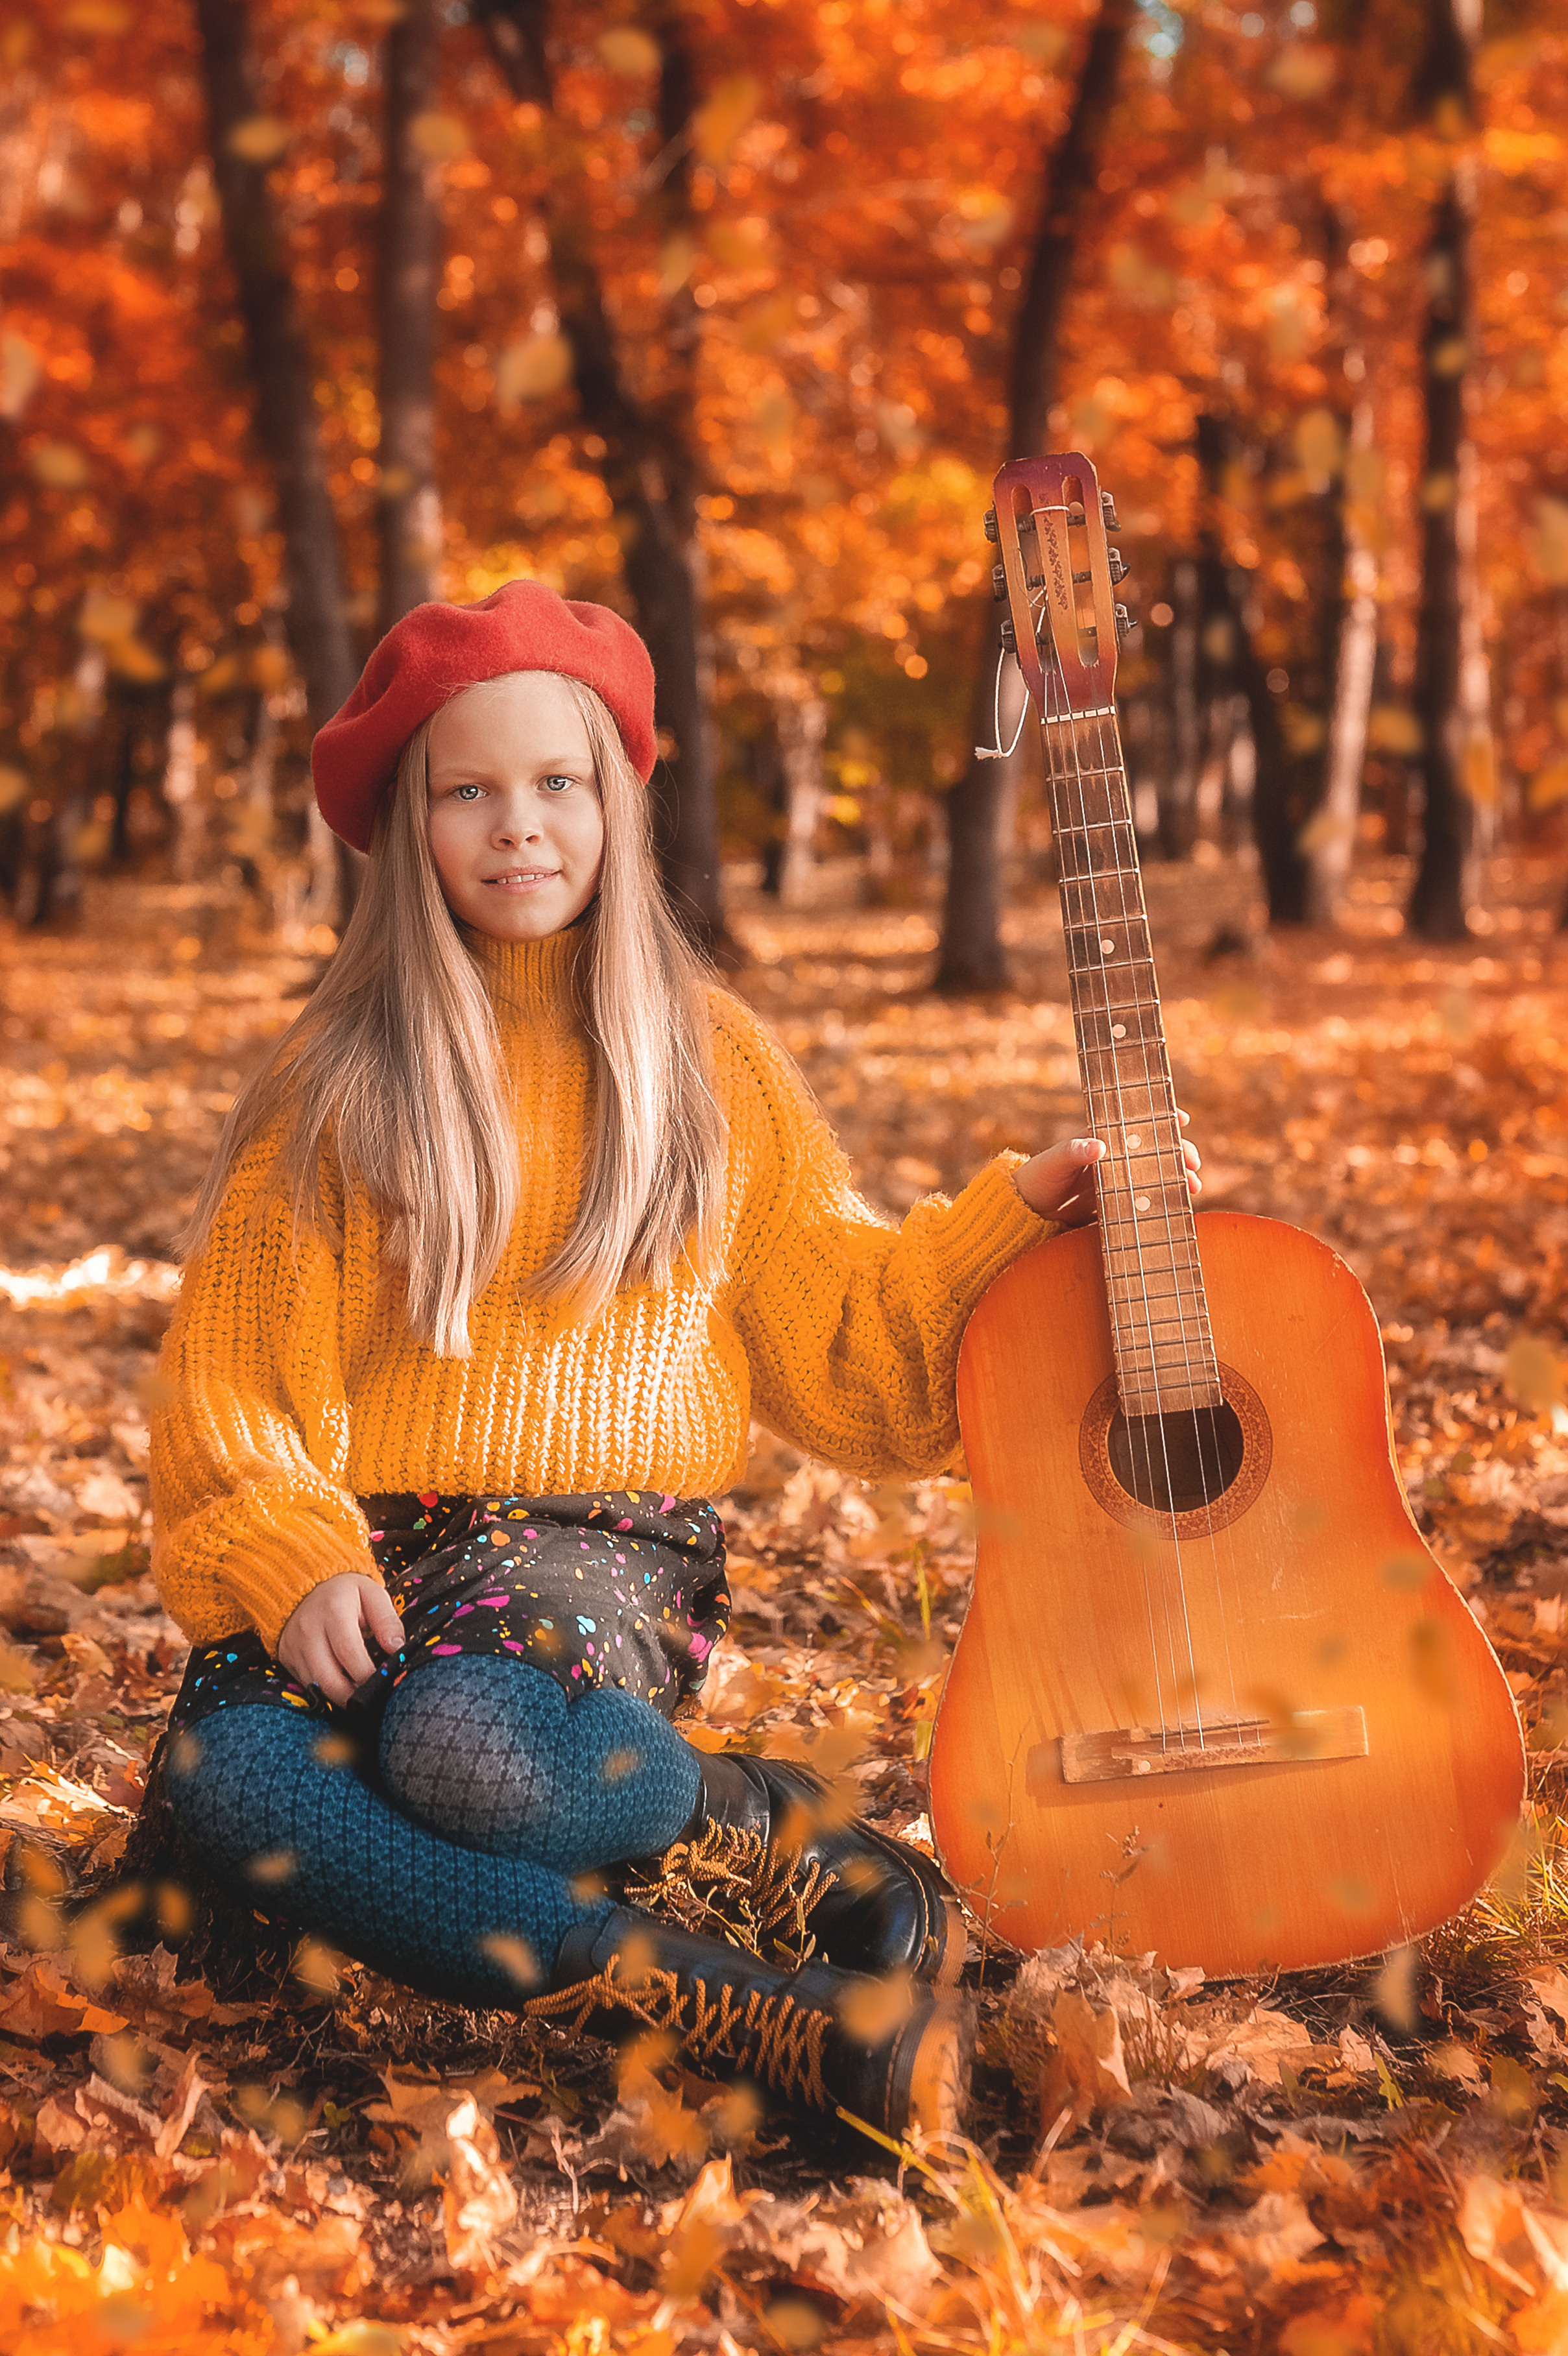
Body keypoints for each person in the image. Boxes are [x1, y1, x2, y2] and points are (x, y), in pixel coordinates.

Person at [146, 583, 1199, 2146]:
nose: (520, 826)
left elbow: (856, 1345)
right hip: (369, 1552)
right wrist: (291, 1552)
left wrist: (1008, 1219)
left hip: (584, 1556)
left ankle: (743, 1818)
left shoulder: (702, 1062)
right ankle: (730, 1996)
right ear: (408, 825)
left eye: (558, 781)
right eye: (471, 790)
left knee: (465, 1746)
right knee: (222, 1780)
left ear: (621, 801)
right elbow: (228, 1381)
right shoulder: (339, 1078)